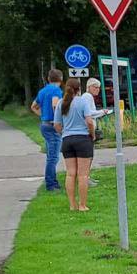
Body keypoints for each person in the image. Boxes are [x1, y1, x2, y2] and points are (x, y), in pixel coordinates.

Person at [53, 77, 97, 212]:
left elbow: (57, 125)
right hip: (83, 139)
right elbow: (89, 121)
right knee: (83, 174)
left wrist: (64, 133)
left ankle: (72, 205)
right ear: (79, 89)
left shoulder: (61, 103)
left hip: (67, 140)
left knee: (70, 174)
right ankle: (82, 205)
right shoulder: (82, 102)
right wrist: (92, 134)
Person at [30, 69, 64, 192]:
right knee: (53, 157)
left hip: (44, 124)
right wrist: (57, 121)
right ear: (60, 79)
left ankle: (52, 181)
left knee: (50, 155)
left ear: (48, 79)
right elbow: (55, 105)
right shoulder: (56, 90)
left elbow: (33, 106)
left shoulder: (42, 91)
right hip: (52, 125)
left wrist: (42, 115)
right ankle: (51, 184)